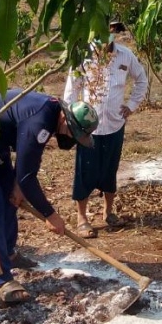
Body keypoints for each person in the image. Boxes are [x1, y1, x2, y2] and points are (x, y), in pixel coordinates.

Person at [0, 90, 98, 304]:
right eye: (73, 133)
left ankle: (7, 254)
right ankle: (2, 279)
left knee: (11, 199)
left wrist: (18, 185)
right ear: (66, 119)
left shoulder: (49, 115)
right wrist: (50, 214)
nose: (71, 138)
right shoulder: (41, 120)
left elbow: (28, 165)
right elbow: (28, 177)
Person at [63, 31, 149, 238]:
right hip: (88, 128)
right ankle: (82, 218)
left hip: (114, 124)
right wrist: (72, 119)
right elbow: (71, 90)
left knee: (110, 169)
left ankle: (108, 212)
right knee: (85, 172)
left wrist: (131, 105)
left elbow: (141, 81)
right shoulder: (82, 57)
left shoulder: (125, 55)